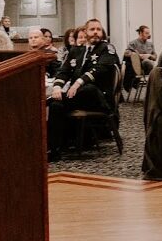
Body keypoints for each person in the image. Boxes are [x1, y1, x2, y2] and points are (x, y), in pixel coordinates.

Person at [47, 18, 120, 160]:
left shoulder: (107, 48)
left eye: (98, 29)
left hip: (98, 99)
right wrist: (56, 87)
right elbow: (64, 71)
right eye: (92, 29)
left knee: (89, 88)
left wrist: (77, 83)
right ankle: (54, 150)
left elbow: (100, 69)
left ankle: (48, 101)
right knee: (56, 105)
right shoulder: (76, 51)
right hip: (77, 98)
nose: (96, 32)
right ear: (85, 32)